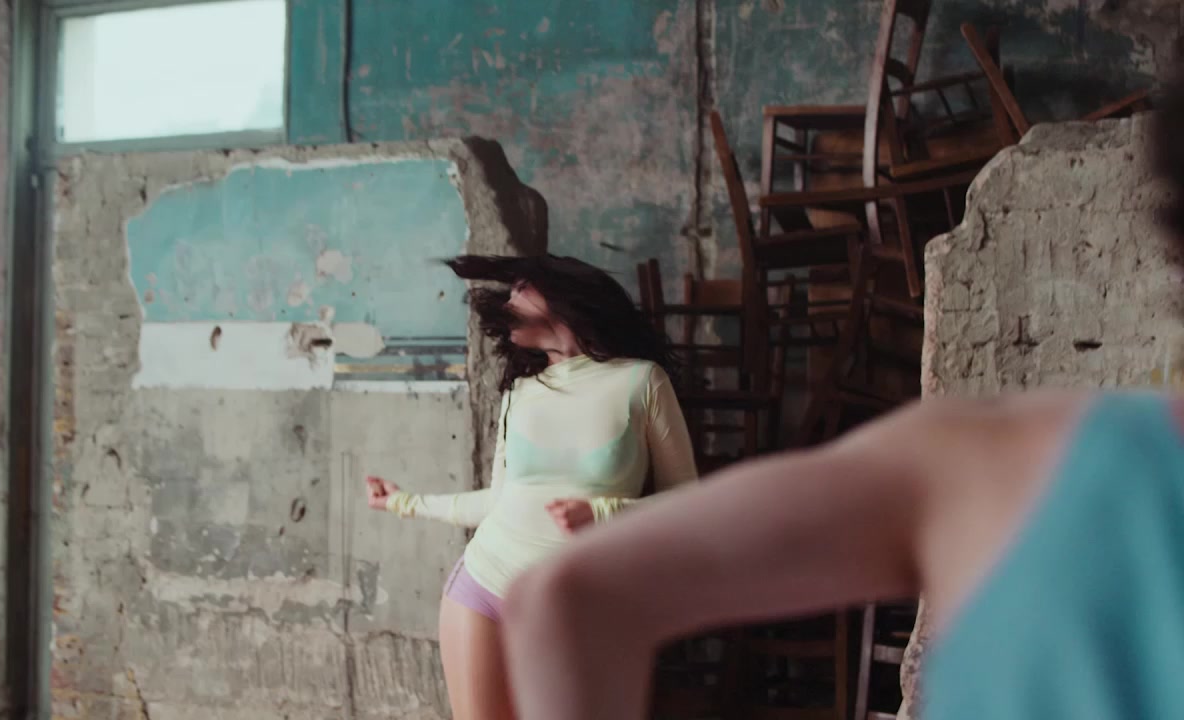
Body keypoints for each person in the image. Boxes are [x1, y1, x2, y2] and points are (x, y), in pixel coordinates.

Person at [500, 79, 1184, 720]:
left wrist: (600, 513)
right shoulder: (988, 464)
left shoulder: (992, 464)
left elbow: (569, 595)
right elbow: (567, 595)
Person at [364, 254, 698, 720]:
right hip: (483, 589)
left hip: (579, 607)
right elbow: (499, 502)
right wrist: (402, 501)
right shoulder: (520, 393)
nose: (509, 298)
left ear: (563, 295)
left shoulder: (641, 381)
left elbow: (691, 506)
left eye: (521, 287)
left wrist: (603, 513)